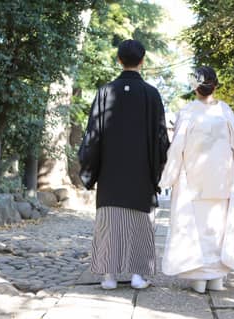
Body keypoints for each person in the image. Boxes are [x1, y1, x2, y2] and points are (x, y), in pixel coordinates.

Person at [78, 39, 170, 290]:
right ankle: (139, 275)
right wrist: (160, 170)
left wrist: (89, 171)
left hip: (110, 173)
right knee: (141, 223)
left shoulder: (105, 92)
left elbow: (93, 135)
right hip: (142, 173)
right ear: (142, 61)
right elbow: (162, 138)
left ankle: (108, 275)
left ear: (119, 60)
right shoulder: (151, 94)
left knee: (110, 222)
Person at [159, 66, 234, 293]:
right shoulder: (225, 111)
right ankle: (217, 277)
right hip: (222, 178)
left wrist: (169, 177)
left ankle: (200, 278)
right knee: (219, 227)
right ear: (215, 84)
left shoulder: (188, 112)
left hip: (194, 179)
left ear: (195, 87)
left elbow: (177, 148)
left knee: (196, 228)